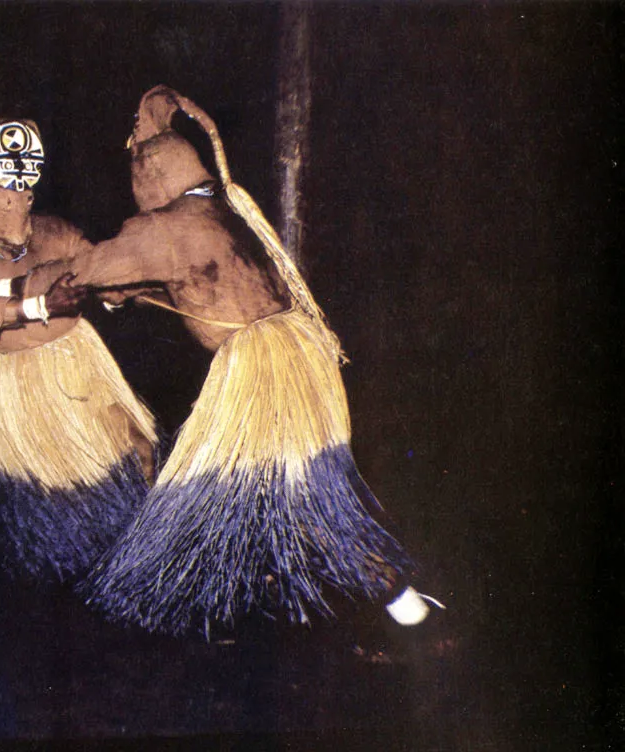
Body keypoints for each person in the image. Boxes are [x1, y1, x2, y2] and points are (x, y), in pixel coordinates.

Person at [43, 86, 441, 634]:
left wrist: (43, 285)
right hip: (296, 359)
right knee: (295, 493)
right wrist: (124, 291)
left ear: (149, 175)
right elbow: (169, 279)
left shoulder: (164, 226)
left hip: (261, 370)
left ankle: (403, 620)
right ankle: (403, 611)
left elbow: (95, 270)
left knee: (226, 491)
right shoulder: (219, 212)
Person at [0, 115, 157, 583]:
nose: (12, 188)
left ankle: (141, 563)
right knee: (9, 497)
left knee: (138, 451)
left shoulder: (56, 231)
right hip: (10, 381)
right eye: (1, 170)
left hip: (78, 364)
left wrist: (127, 283)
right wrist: (38, 304)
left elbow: (103, 269)